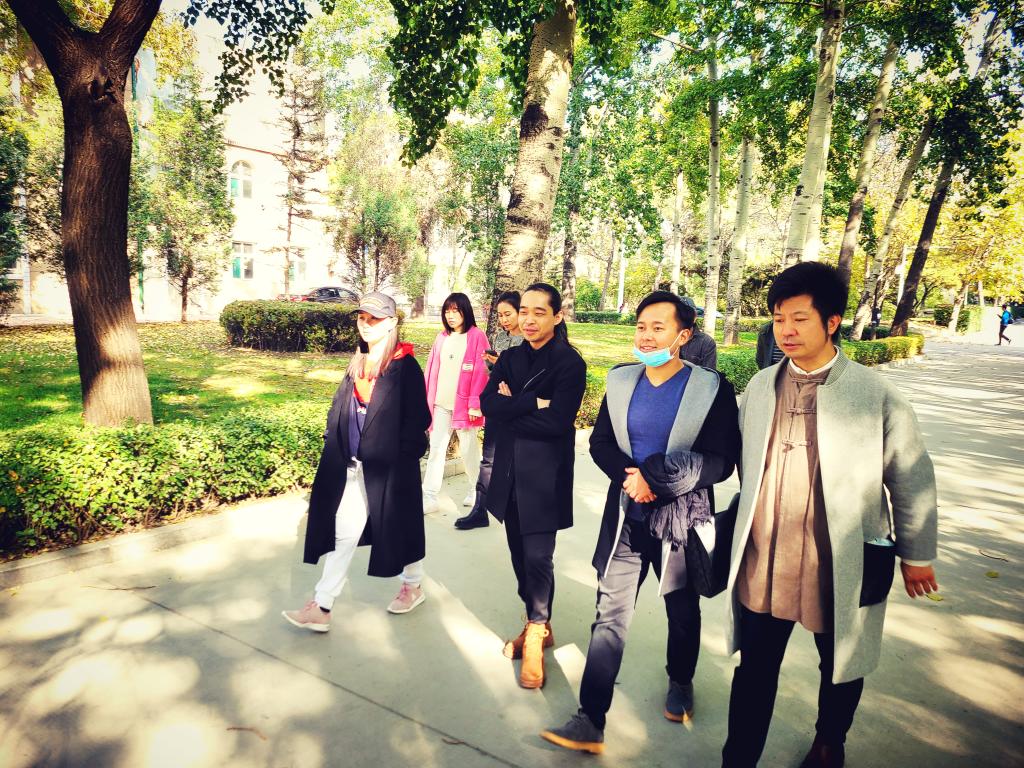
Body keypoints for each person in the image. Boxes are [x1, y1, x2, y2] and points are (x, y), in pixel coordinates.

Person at [721, 262, 939, 768]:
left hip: (838, 558)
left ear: (832, 321)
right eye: (779, 319)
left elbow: (910, 475)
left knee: (841, 662)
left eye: (799, 319)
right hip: (767, 555)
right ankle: (739, 757)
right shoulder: (760, 387)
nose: (786, 331)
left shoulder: (874, 393)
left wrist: (917, 554)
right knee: (754, 667)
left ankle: (829, 742)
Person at [541, 291, 741, 754]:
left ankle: (681, 681)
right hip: (626, 518)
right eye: (641, 326)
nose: (646, 336)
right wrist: (632, 479)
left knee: (681, 610)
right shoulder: (621, 380)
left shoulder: (710, 388)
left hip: (681, 521)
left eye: (658, 327)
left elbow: (721, 460)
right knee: (609, 614)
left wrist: (659, 480)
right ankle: (590, 718)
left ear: (683, 335)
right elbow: (600, 443)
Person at [283, 292, 432, 630]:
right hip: (352, 463)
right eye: (362, 318)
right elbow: (340, 407)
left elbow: (419, 420)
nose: (366, 324)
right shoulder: (357, 362)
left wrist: (401, 457)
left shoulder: (405, 366)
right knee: (345, 531)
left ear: (391, 322)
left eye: (374, 319)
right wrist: (332, 439)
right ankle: (322, 606)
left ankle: (412, 586)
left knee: (402, 528)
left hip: (390, 468)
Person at [480, 282, 587, 689]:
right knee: (518, 555)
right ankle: (536, 621)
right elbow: (488, 405)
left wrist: (511, 407)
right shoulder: (509, 357)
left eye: (539, 312)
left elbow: (558, 422)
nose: (528, 319)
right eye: (523, 311)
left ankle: (537, 632)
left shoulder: (569, 363)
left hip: (545, 475)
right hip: (510, 471)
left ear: (557, 316)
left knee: (539, 557)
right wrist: (532, 403)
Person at [455, 291, 524, 530]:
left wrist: (503, 363)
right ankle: (480, 509)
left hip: (519, 409)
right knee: (489, 460)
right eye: (500, 315)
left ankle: (519, 511)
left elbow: (525, 376)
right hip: (497, 405)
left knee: (518, 461)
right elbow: (494, 374)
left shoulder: (529, 341)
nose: (504, 320)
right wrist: (492, 362)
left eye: (508, 314)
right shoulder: (500, 337)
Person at [421, 293, 489, 515]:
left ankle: (476, 490)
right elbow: (431, 370)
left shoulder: (477, 336)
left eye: (455, 311)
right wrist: (425, 400)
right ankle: (429, 496)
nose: (450, 316)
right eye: (447, 311)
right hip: (440, 405)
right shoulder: (442, 337)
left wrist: (475, 404)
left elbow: (482, 373)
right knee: (436, 450)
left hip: (465, 408)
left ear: (465, 312)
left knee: (469, 450)